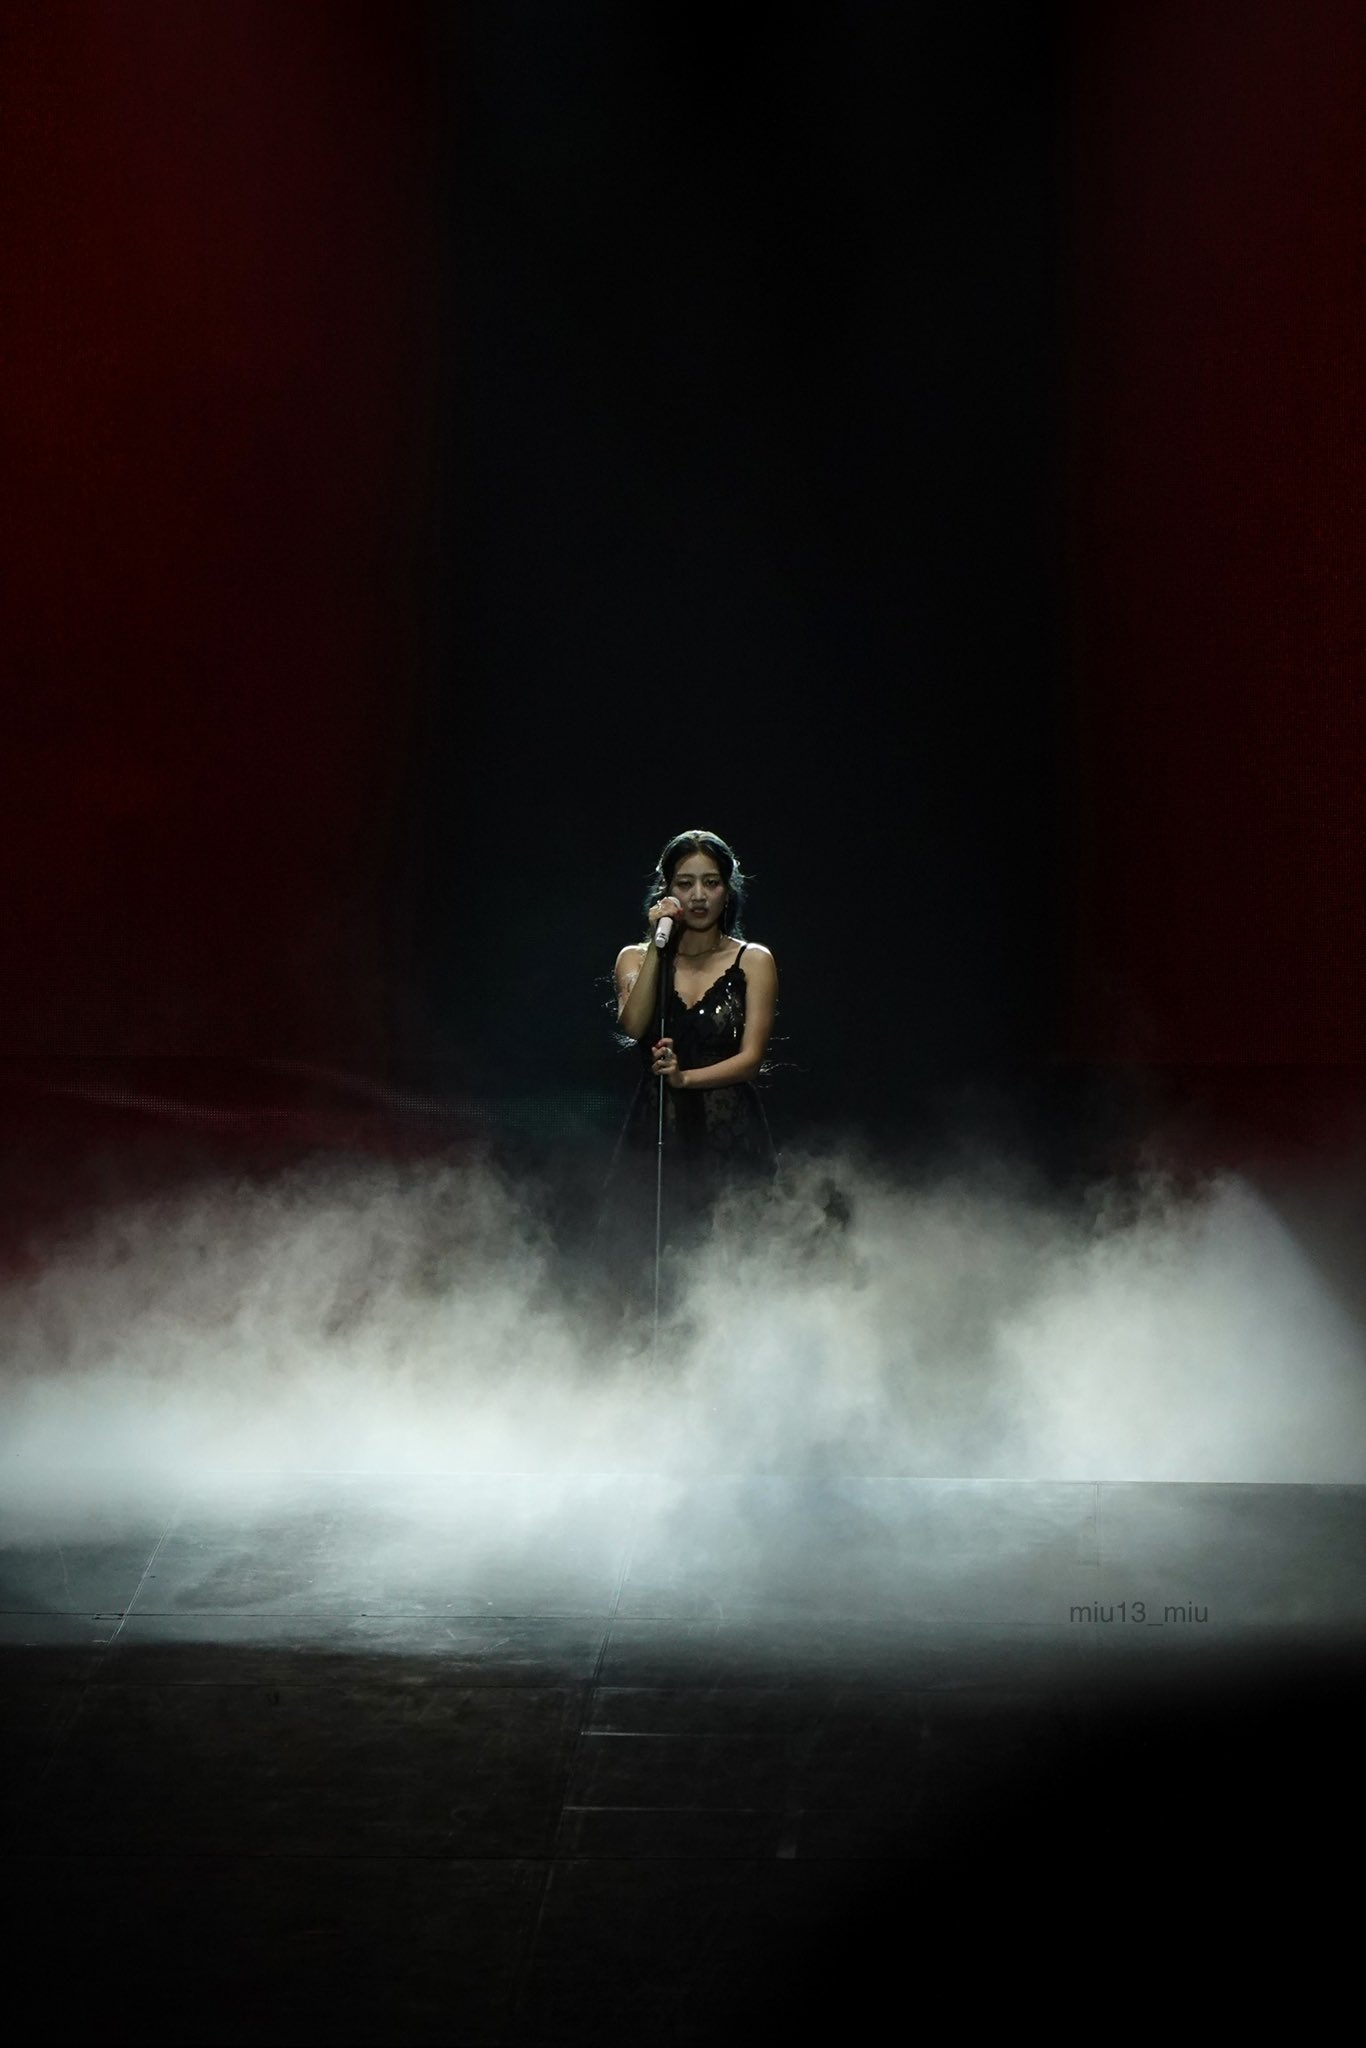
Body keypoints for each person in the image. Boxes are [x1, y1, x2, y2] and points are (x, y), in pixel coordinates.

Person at [594, 829, 778, 1307]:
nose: (698, 895)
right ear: (666, 891)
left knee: (735, 1272)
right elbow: (635, 1024)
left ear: (728, 889)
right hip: (658, 1132)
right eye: (685, 883)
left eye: (710, 882)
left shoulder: (753, 960)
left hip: (728, 1133)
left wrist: (685, 1078)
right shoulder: (636, 958)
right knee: (648, 1271)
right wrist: (659, 946)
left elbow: (751, 1060)